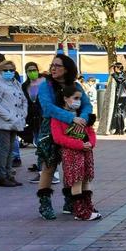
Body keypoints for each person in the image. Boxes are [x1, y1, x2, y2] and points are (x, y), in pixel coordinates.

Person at [35, 54, 93, 219]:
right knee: (49, 167)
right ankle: (45, 204)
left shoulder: (75, 86)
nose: (53, 68)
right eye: (52, 65)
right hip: (51, 130)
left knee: (73, 166)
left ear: (67, 69)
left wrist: (83, 118)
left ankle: (71, 201)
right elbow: (47, 108)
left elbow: (87, 105)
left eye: (58, 65)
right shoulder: (46, 86)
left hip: (75, 130)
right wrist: (71, 118)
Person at [50, 88, 101, 221]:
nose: (78, 102)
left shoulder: (82, 114)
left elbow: (90, 131)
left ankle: (87, 206)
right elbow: (58, 138)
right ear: (65, 99)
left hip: (86, 152)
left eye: (79, 98)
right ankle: (80, 211)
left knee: (86, 179)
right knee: (76, 181)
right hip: (72, 153)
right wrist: (79, 145)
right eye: (75, 98)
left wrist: (90, 143)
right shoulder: (59, 117)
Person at [0, 59, 28, 187]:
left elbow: (23, 100)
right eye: (6, 70)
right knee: (4, 149)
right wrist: (9, 117)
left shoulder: (16, 83)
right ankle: (2, 176)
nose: (9, 72)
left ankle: (10, 175)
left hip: (16, 121)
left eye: (12, 70)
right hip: (4, 122)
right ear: (0, 71)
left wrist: (23, 114)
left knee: (12, 150)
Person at [22, 63, 45, 174]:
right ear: (26, 72)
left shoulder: (44, 81)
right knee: (37, 142)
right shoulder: (25, 85)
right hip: (33, 118)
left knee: (43, 142)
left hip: (44, 116)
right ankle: (41, 165)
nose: (32, 72)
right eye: (29, 70)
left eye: (34, 70)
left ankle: (43, 168)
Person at [108, 63, 126, 135]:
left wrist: (112, 72)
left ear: (116, 68)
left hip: (119, 96)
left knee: (118, 112)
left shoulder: (115, 75)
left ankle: (119, 129)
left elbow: (116, 83)